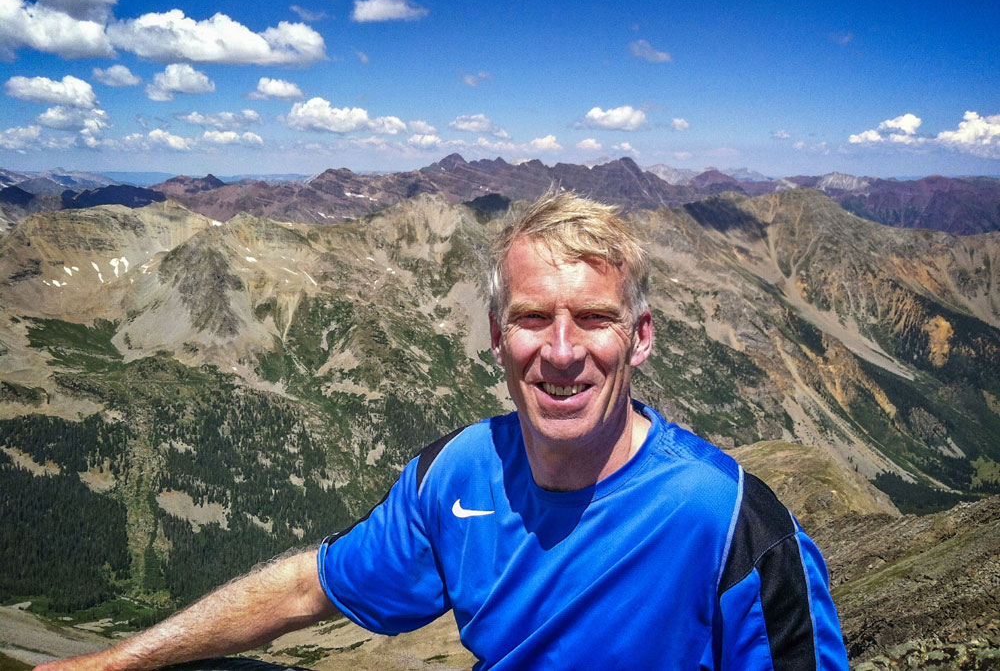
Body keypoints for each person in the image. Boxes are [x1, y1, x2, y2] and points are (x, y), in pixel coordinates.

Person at [37, 191, 849, 670]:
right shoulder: (457, 475)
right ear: (496, 335)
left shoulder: (737, 527)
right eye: (532, 319)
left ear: (640, 337)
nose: (561, 352)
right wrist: (110, 664)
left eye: (595, 320)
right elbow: (304, 588)